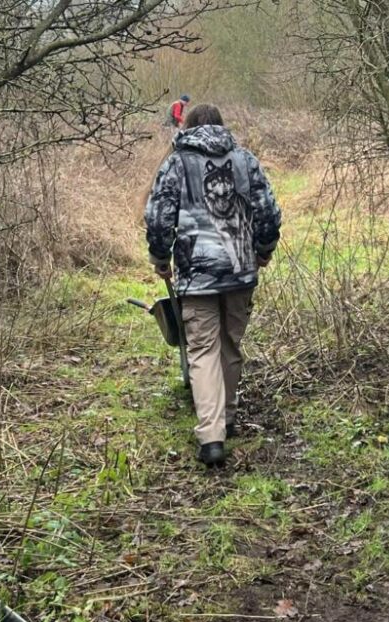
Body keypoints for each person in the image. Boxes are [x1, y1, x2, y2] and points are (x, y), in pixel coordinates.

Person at [143, 104, 282, 467]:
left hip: (196, 273)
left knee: (202, 350)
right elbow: (267, 211)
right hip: (240, 271)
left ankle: (211, 435)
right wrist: (263, 250)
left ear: (188, 127)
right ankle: (230, 416)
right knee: (229, 344)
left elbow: (158, 217)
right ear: (222, 127)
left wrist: (160, 258)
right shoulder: (245, 159)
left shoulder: (176, 162)